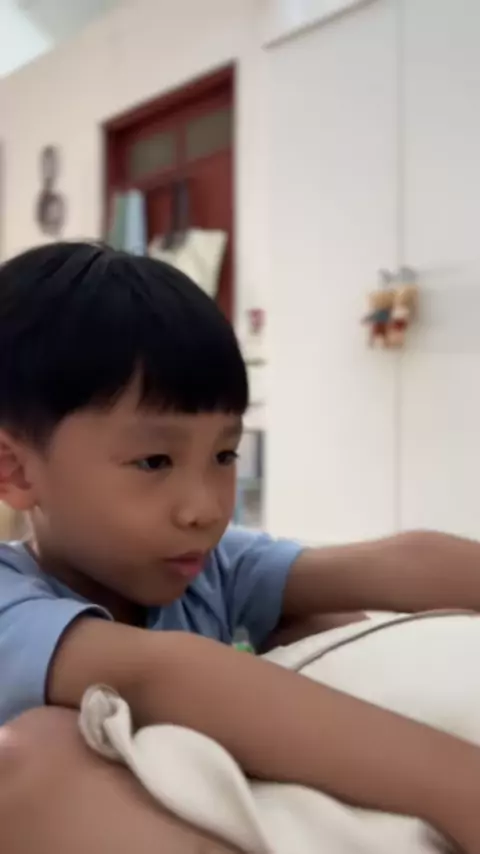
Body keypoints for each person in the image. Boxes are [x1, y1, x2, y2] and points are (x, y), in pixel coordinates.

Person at [1, 242, 480, 853]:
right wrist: (458, 785)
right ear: (16, 470)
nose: (204, 508)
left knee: (319, 626)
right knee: (40, 753)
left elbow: (390, 564)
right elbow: (162, 675)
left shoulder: (211, 568)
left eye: (224, 455)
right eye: (155, 461)